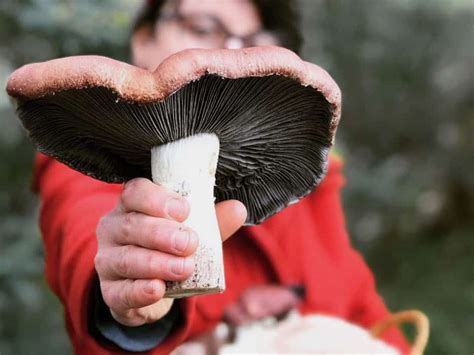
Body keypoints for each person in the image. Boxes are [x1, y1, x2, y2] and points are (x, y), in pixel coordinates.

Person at [34, 0, 410, 354]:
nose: (231, 49)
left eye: (254, 41)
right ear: (143, 40)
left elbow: (362, 305)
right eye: (203, 27)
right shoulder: (88, 156)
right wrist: (130, 304)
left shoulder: (306, 188)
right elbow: (84, 235)